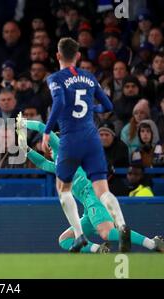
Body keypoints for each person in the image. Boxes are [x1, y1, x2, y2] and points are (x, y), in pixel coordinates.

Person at [17, 114, 164, 253]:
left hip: (92, 195)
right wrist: (26, 149)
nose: (48, 146)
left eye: (50, 142)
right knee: (65, 240)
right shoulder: (58, 165)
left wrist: (24, 123)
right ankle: (99, 250)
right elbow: (42, 163)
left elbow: (42, 127)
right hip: (87, 203)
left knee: (107, 233)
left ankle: (152, 243)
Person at [42, 38, 130, 252]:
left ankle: (80, 235)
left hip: (71, 139)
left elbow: (60, 103)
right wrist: (94, 110)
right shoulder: (89, 77)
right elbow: (108, 105)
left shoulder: (55, 78)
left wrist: (46, 131)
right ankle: (122, 225)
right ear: (78, 56)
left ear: (58, 56)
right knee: (103, 191)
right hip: (92, 139)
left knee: (63, 190)